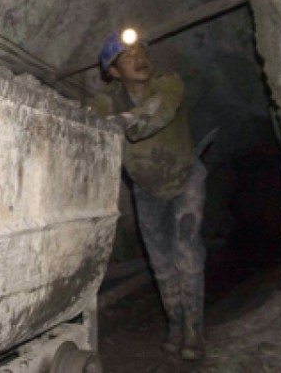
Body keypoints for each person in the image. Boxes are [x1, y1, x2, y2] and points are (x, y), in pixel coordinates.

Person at [89, 30, 207, 361]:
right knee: (161, 263)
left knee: (187, 251)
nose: (139, 59)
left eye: (141, 52)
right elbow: (90, 120)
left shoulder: (168, 83)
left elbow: (157, 113)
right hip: (146, 189)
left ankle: (194, 331)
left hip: (186, 177)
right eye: (127, 57)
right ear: (113, 72)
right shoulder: (107, 102)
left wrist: (120, 122)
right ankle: (175, 324)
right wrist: (100, 122)